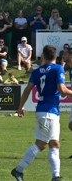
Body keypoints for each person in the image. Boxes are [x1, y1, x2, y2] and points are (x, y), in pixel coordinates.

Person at [11, 45, 72, 181]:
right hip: (50, 111)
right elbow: (62, 90)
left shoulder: (37, 71)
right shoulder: (58, 68)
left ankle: (55, 176)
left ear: (43, 56)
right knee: (41, 144)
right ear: (56, 56)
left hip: (42, 109)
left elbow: (27, 90)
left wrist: (20, 107)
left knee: (53, 143)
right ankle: (18, 170)